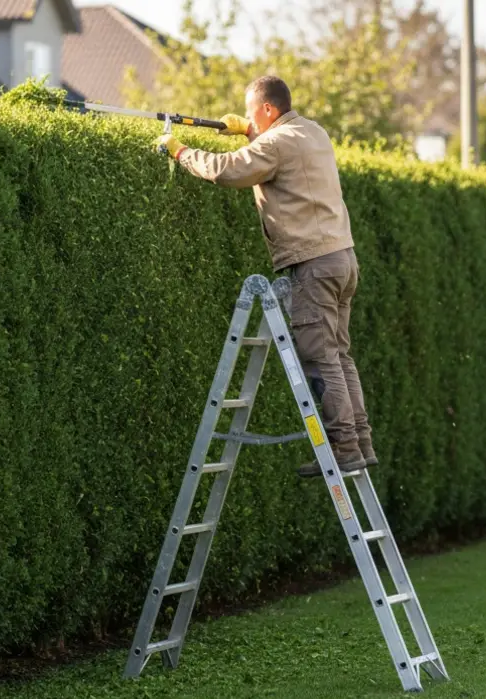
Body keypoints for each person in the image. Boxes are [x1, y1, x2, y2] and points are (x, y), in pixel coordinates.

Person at [152, 75, 373, 478]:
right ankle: (360, 440)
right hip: (342, 258)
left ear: (268, 110)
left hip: (314, 263)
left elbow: (229, 171)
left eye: (252, 113)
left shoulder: (276, 142)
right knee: (340, 354)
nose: (249, 120)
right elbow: (274, 159)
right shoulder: (312, 131)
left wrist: (179, 151)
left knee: (320, 359)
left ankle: (344, 449)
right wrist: (249, 132)